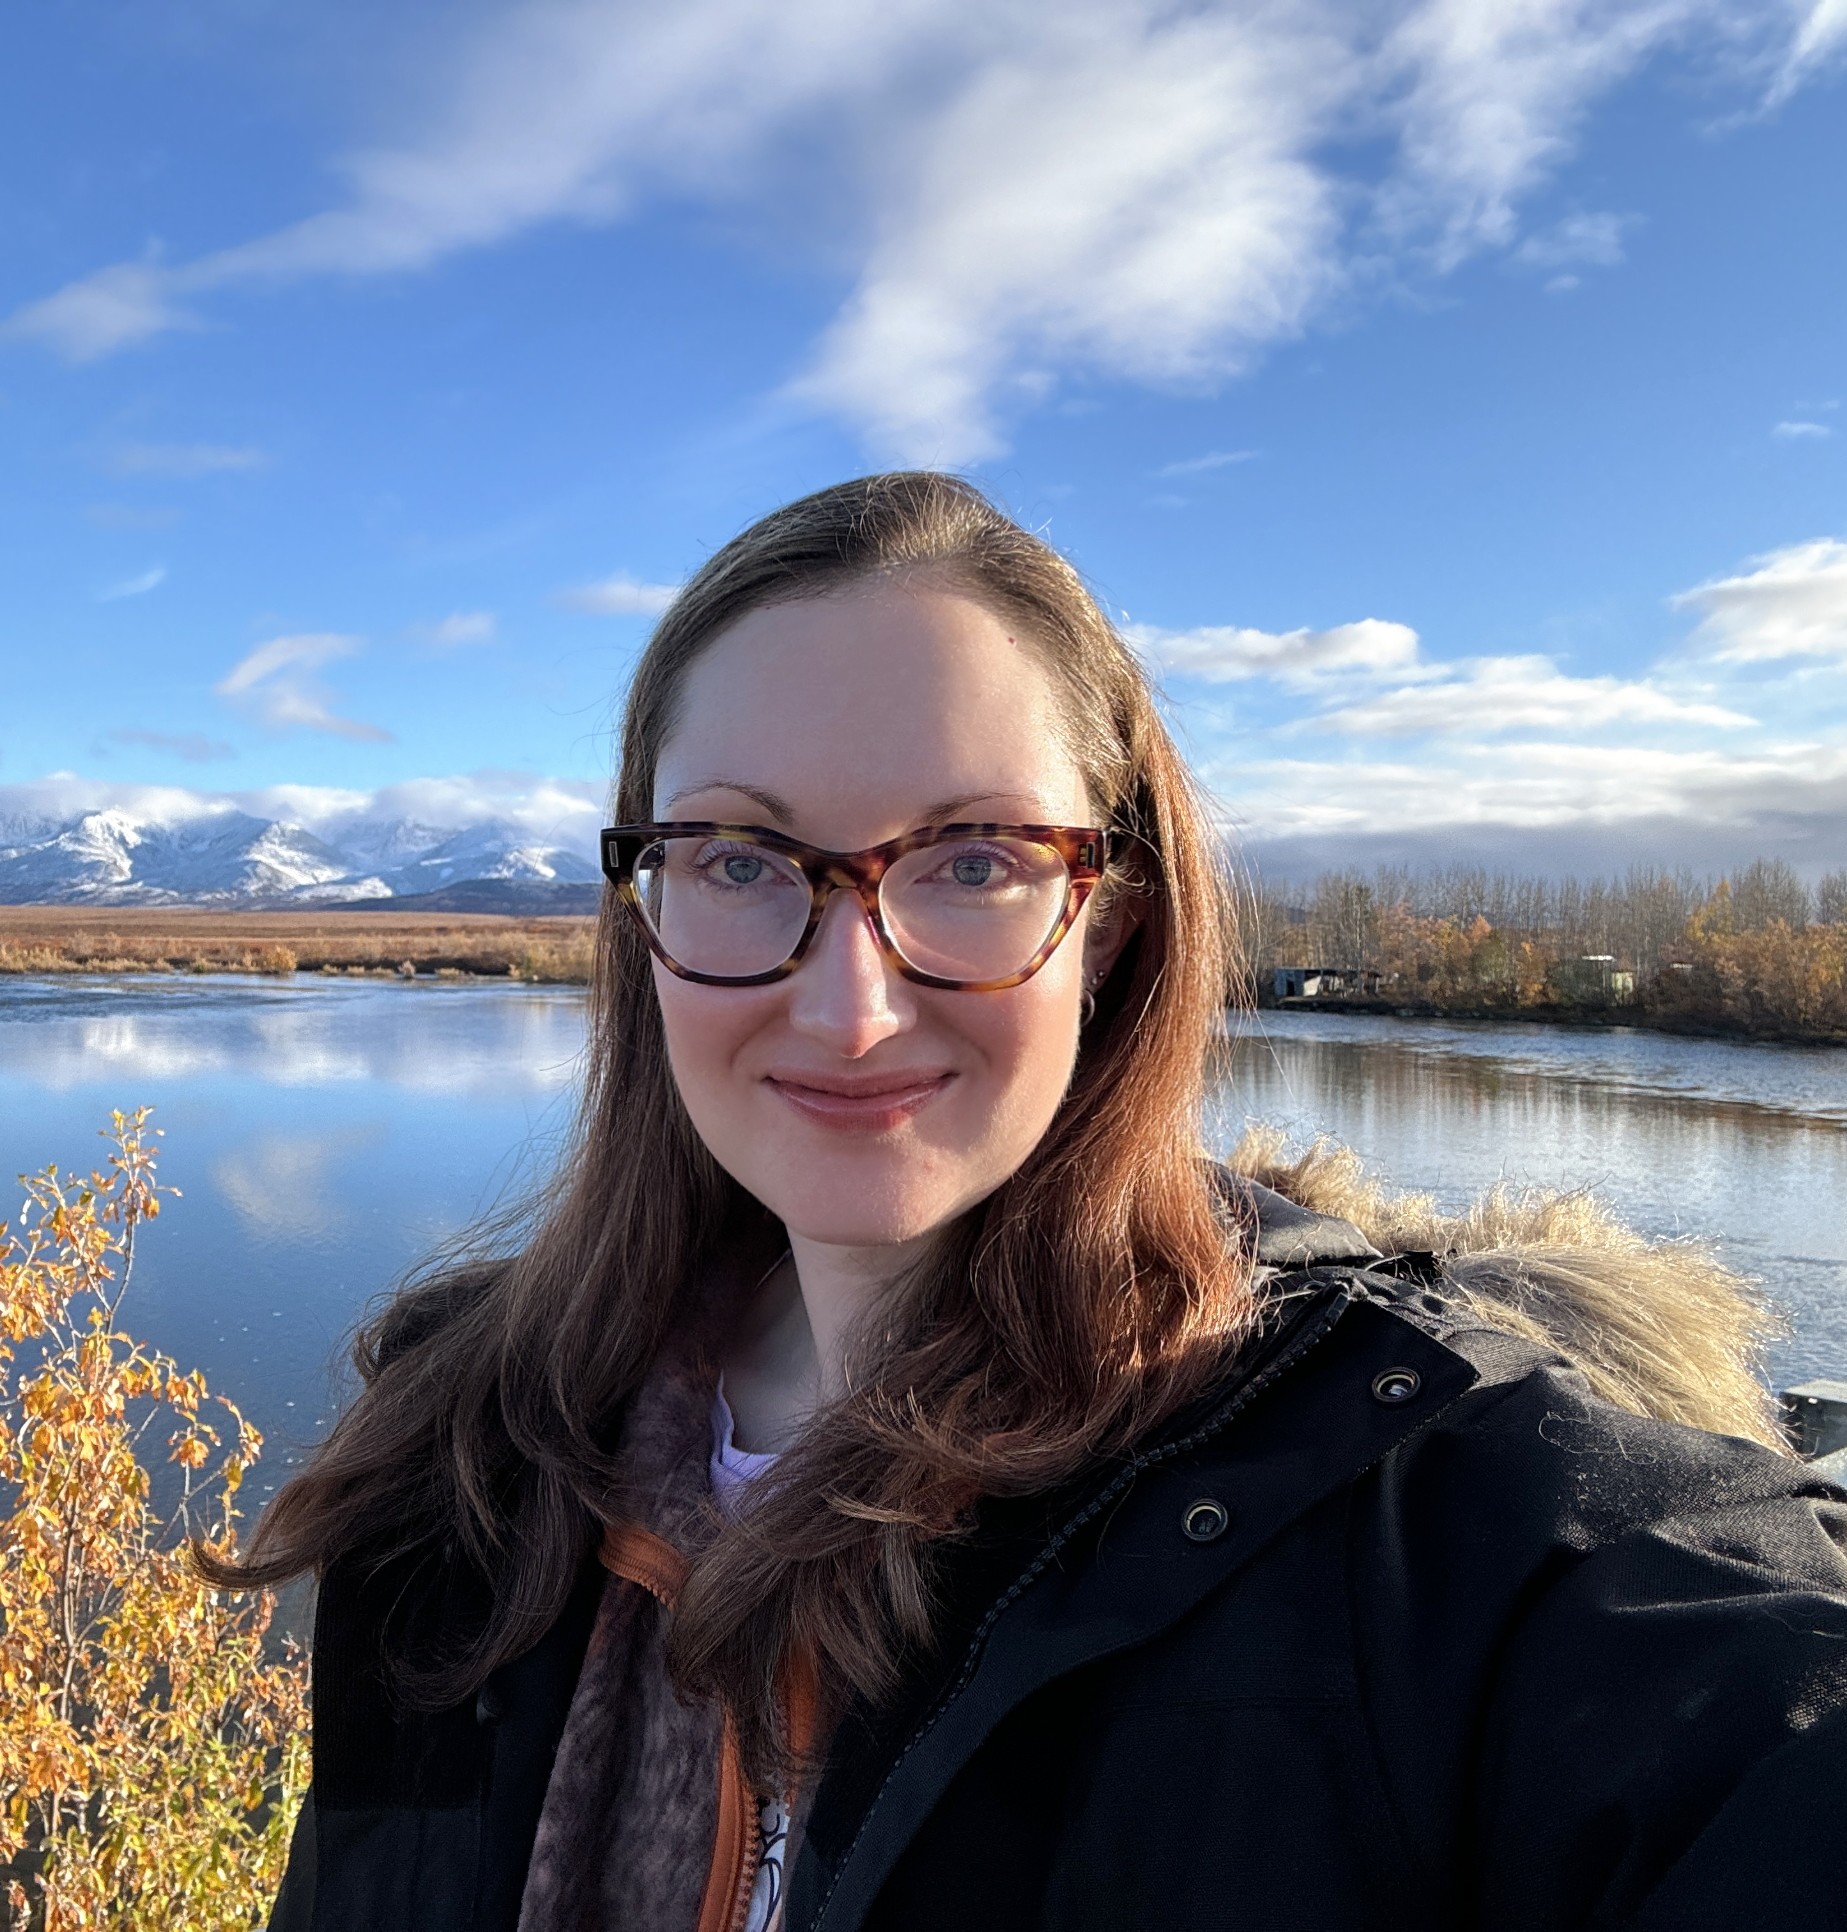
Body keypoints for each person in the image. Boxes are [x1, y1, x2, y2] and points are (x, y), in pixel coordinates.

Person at [221, 473, 1847, 1932]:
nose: (847, 1005)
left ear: (1115, 923)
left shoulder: (1418, 1523)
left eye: (976, 860)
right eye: (735, 859)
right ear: (643, 912)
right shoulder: (473, 1466)